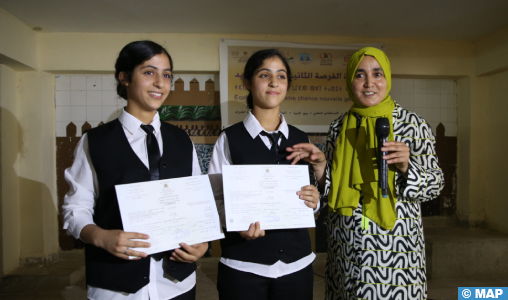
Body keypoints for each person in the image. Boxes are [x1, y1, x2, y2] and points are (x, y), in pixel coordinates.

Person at [287, 47, 444, 300]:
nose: (369, 82)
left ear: (387, 79)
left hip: (395, 251)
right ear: (351, 81)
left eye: (377, 74)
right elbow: (332, 191)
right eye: (360, 75)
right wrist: (320, 167)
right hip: (345, 246)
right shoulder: (339, 126)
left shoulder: (412, 124)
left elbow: (435, 186)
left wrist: (407, 167)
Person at [62, 40, 208, 300]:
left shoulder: (182, 140)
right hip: (115, 288)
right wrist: (100, 237)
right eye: (149, 72)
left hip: (177, 283)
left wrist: (202, 242)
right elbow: (76, 208)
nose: (161, 83)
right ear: (125, 77)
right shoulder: (94, 141)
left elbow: (195, 202)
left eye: (167, 75)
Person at [207, 49, 324, 300]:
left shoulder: (300, 139)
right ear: (248, 83)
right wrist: (236, 224)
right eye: (264, 75)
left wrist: (314, 202)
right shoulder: (229, 139)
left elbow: (311, 198)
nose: (274, 83)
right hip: (244, 265)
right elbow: (213, 199)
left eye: (281, 77)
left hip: (297, 264)